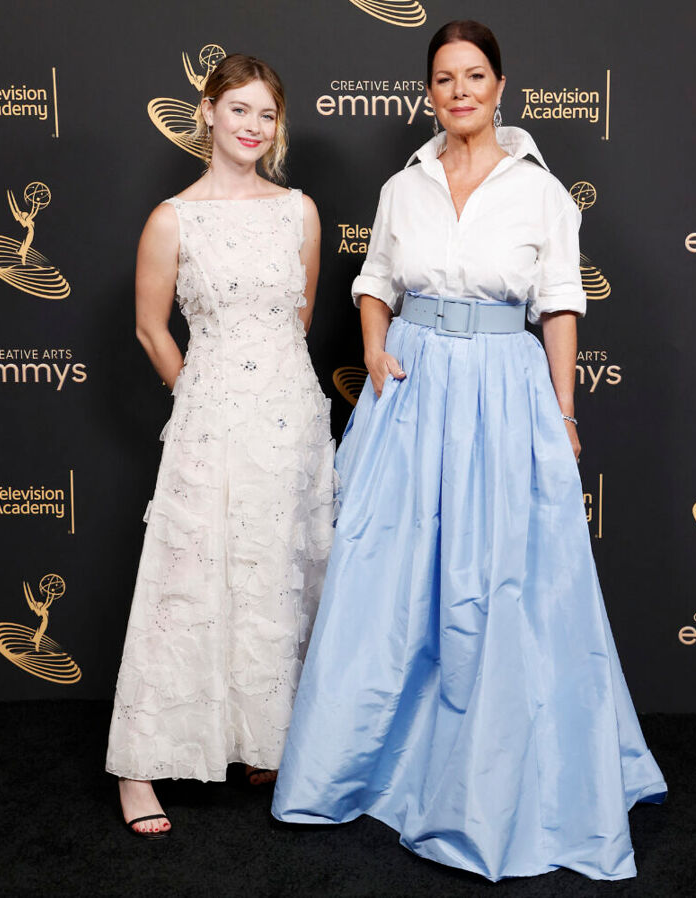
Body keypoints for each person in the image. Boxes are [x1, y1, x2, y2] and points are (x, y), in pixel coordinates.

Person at [272, 20, 666, 881]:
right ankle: (370, 765)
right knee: (392, 581)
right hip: (412, 395)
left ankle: (490, 783)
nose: (460, 91)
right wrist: (374, 348)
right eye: (445, 77)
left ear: (500, 88)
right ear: (428, 92)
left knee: (500, 584)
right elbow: (373, 282)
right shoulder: (401, 188)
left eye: (475, 75)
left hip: (503, 394)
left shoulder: (542, 193)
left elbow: (559, 305)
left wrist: (562, 416)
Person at [106, 53, 336, 839]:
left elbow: (295, 320)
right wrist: (202, 395)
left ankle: (264, 741)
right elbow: (149, 327)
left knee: (279, 576)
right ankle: (140, 769)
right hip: (209, 420)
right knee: (188, 583)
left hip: (293, 423)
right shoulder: (173, 217)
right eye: (238, 109)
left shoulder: (299, 210)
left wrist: (268, 400)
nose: (252, 126)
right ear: (206, 112)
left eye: (266, 114)